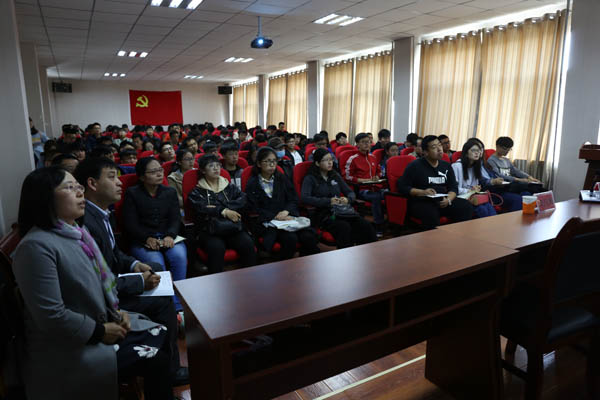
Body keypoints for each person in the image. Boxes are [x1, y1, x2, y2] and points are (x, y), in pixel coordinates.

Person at [13, 167, 173, 400]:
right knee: (156, 357)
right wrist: (100, 331)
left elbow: (99, 283)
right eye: (70, 187)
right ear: (44, 197)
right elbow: (51, 316)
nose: (80, 192)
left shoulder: (77, 231)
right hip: (68, 347)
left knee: (161, 334)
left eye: (78, 186)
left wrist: (117, 313)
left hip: (98, 322)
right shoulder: (35, 247)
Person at [74, 158, 189, 387]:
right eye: (112, 177)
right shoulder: (87, 221)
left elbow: (114, 253)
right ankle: (169, 368)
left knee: (158, 268)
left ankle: (166, 357)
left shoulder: (101, 213)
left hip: (114, 281)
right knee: (161, 300)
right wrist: (139, 282)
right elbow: (95, 280)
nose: (119, 183)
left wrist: (135, 265)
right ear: (92, 184)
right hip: (103, 299)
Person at [122, 157, 187, 312]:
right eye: (153, 172)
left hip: (167, 236)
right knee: (157, 263)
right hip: (142, 238)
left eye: (160, 170)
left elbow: (175, 219)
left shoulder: (169, 192)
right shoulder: (132, 193)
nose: (159, 174)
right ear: (142, 177)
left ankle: (178, 304)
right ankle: (164, 304)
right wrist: (146, 238)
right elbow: (130, 223)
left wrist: (170, 235)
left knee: (179, 257)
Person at [246, 147, 320, 260]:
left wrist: (286, 211)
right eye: (267, 161)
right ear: (259, 164)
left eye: (274, 161)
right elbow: (253, 207)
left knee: (308, 236)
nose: (272, 165)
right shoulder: (253, 183)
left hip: (287, 218)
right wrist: (276, 216)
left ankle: (305, 264)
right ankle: (282, 266)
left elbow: (293, 199)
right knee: (290, 238)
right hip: (268, 222)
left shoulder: (281, 178)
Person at [188, 155, 257, 274]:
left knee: (247, 243)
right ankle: (216, 281)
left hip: (232, 227)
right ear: (203, 170)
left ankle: (250, 277)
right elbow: (201, 208)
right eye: (211, 166)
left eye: (218, 165)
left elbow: (243, 200)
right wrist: (224, 211)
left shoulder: (229, 186)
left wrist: (219, 209)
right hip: (210, 230)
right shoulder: (197, 191)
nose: (216, 168)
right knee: (216, 248)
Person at [301, 148, 377, 248]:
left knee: (365, 225)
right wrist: (328, 201)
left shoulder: (334, 175)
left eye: (331, 159)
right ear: (317, 163)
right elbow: (305, 198)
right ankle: (346, 255)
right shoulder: (310, 178)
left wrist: (348, 199)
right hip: (325, 213)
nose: (330, 163)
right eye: (325, 160)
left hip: (343, 212)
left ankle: (369, 251)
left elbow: (350, 192)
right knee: (344, 227)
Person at [397, 135, 473, 229]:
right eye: (434, 147)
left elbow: (453, 187)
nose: (439, 149)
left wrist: (449, 199)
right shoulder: (415, 166)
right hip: (422, 201)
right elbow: (402, 187)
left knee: (466, 206)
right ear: (425, 152)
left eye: (439, 145)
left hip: (442, 201)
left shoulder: (446, 166)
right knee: (431, 214)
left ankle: (457, 234)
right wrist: (423, 192)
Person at [345, 132, 386, 237]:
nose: (367, 144)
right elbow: (347, 176)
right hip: (362, 189)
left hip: (375, 187)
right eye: (363, 142)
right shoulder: (353, 159)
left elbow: (379, 172)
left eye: (368, 142)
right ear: (357, 144)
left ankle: (392, 222)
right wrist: (362, 180)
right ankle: (378, 225)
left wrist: (377, 176)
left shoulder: (373, 157)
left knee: (389, 194)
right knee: (376, 197)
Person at [451, 139, 499, 218]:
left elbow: (474, 186)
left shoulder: (475, 167)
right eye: (473, 150)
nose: (477, 153)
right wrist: (469, 190)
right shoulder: (456, 166)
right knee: (482, 209)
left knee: (488, 206)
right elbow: (453, 189)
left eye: (478, 150)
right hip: (460, 199)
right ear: (466, 153)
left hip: (472, 196)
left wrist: (476, 188)